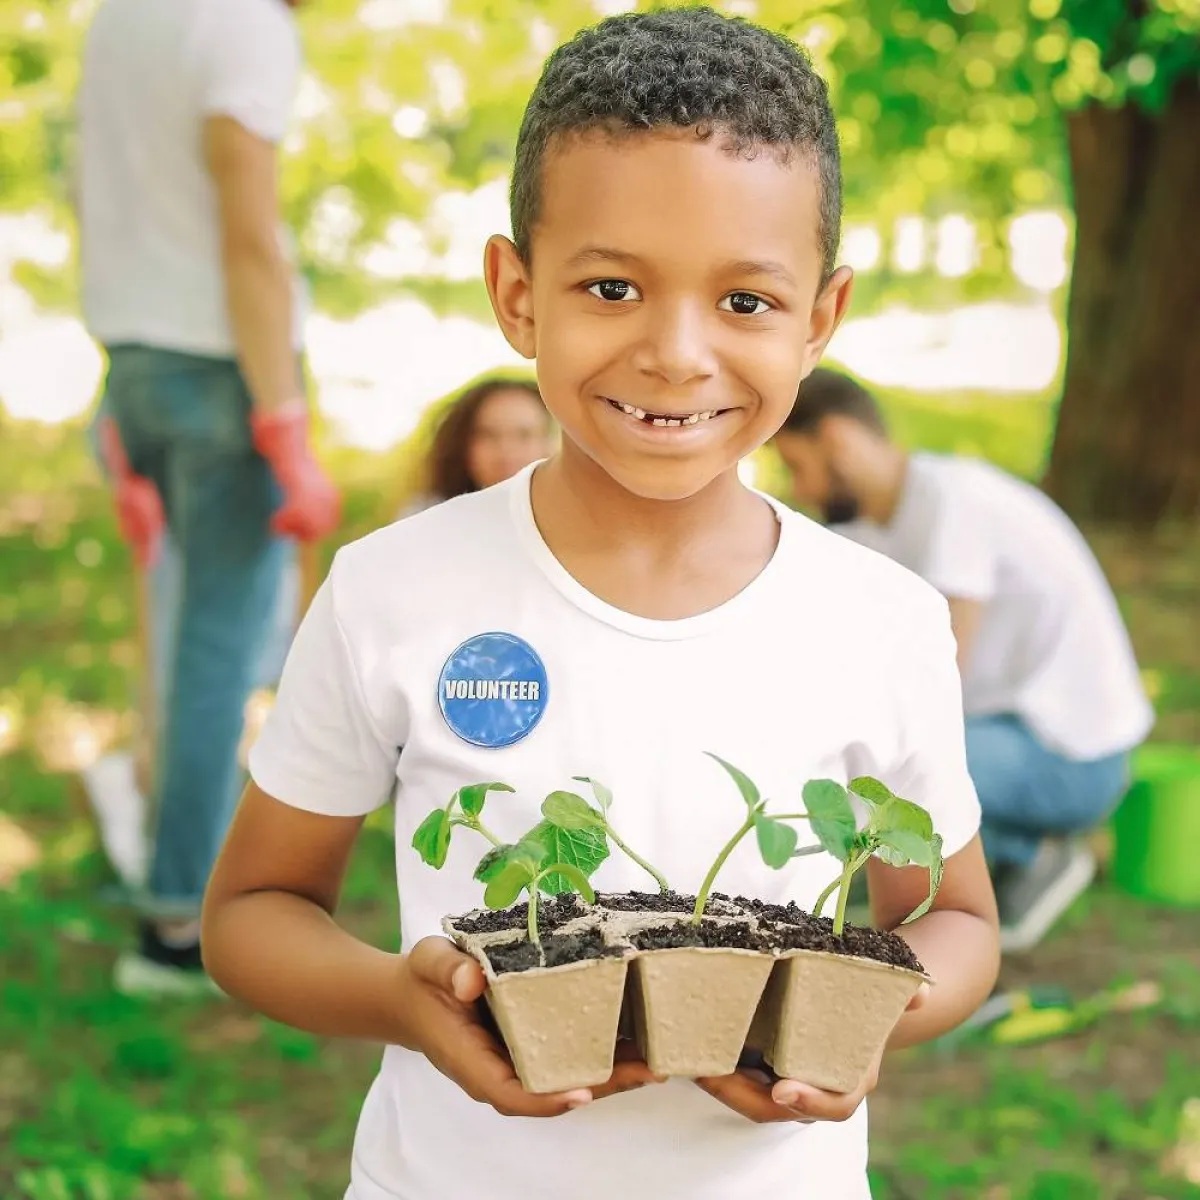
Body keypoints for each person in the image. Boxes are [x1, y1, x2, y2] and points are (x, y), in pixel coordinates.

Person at [201, 10, 999, 1199]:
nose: (677, 353)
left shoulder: (883, 618)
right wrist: (403, 1005)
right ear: (518, 295)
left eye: (746, 303)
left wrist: (864, 1023)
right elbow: (252, 913)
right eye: (613, 285)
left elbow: (960, 924)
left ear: (820, 319)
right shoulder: (394, 591)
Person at [76, 0, 339, 994]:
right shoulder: (246, 26)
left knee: (179, 624)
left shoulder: (124, 16)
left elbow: (94, 192)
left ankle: (165, 846)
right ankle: (176, 926)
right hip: (220, 373)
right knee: (218, 655)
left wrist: (116, 384)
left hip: (137, 364)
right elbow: (249, 238)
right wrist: (284, 422)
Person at [774, 367, 1154, 952]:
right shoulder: (876, 528)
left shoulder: (954, 502)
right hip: (1001, 735)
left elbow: (942, 680)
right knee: (861, 773)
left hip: (1071, 758)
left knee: (880, 777)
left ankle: (1032, 851)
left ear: (839, 441)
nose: (799, 490)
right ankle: (1015, 849)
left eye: (797, 466)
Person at [398, 376, 554, 518]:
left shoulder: (567, 518)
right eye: (489, 434)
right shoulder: (425, 517)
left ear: (548, 443)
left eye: (523, 435)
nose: (506, 450)